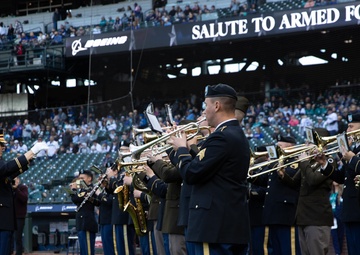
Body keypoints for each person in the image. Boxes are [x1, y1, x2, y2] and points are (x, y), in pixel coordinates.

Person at [168, 84, 250, 254]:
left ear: (217, 106)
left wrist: (182, 149)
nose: (204, 111)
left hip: (214, 226)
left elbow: (192, 174)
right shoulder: (233, 133)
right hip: (225, 224)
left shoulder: (221, 136)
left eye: (206, 105)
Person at [279, 128, 334, 255]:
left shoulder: (328, 161)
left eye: (310, 142)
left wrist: (304, 162)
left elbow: (313, 180)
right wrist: (283, 175)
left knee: (317, 251)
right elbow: (294, 182)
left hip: (317, 217)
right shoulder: (310, 162)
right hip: (303, 216)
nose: (306, 145)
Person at [249, 135, 301, 255]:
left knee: (289, 250)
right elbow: (264, 180)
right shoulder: (276, 163)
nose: (276, 149)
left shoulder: (295, 163)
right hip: (272, 213)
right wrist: (251, 173)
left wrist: (277, 167)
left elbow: (291, 179)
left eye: (280, 146)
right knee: (277, 250)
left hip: (286, 213)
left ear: (290, 147)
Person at [0, 129, 48, 255]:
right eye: (1, 145)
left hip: (5, 219)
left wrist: (30, 158)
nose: (3, 148)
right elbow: (7, 169)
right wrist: (30, 153)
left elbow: (9, 174)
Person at [322, 112, 360, 255]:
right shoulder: (354, 149)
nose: (348, 130)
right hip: (351, 209)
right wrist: (324, 164)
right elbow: (342, 177)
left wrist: (352, 158)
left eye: (351, 127)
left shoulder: (353, 152)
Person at [69, 169, 100, 255]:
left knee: (88, 250)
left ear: (89, 178)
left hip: (87, 223)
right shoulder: (82, 190)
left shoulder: (92, 189)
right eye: (79, 178)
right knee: (83, 250)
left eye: (82, 178)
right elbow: (75, 200)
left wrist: (74, 191)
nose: (80, 180)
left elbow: (77, 198)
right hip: (81, 223)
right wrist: (73, 191)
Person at [12, 176, 28, 255]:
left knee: (18, 237)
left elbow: (24, 198)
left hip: (19, 216)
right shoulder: (9, 189)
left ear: (18, 180)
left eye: (15, 180)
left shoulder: (23, 187)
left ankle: (18, 253)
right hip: (10, 216)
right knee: (9, 236)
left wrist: (16, 189)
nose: (14, 182)